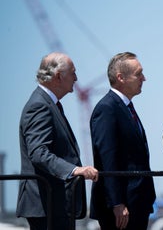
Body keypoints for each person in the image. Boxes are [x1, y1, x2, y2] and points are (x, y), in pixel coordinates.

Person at [16, 52, 99, 230]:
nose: (76, 78)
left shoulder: (48, 104)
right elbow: (38, 153)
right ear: (59, 76)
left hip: (54, 203)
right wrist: (75, 170)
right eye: (73, 73)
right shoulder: (40, 105)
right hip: (46, 204)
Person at [90, 52, 156, 230]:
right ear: (121, 77)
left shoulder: (126, 107)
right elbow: (108, 159)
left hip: (137, 202)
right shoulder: (107, 108)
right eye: (138, 74)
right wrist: (117, 203)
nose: (144, 78)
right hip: (121, 208)